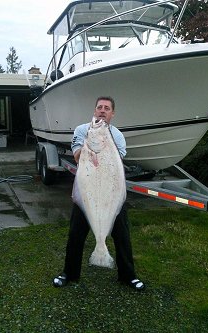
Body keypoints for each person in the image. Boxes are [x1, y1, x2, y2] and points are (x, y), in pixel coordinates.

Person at [53, 96, 145, 291]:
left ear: (112, 113)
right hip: (88, 193)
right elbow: (77, 157)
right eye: (99, 107)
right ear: (94, 111)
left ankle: (128, 276)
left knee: (122, 236)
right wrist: (88, 146)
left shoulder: (118, 136)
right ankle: (68, 273)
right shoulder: (82, 130)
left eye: (107, 108)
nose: (102, 110)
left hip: (110, 194)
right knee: (75, 235)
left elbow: (116, 163)